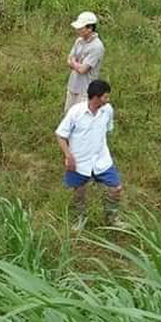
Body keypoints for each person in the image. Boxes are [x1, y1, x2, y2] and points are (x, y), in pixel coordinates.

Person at [55, 79, 122, 229]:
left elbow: (107, 130)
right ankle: (80, 220)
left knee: (116, 188)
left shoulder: (108, 110)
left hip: (101, 159)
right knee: (79, 191)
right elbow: (60, 135)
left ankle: (112, 218)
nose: (108, 100)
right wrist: (68, 156)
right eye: (105, 97)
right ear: (96, 97)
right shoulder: (76, 112)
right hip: (79, 161)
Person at [65, 11, 105, 112]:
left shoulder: (97, 46)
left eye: (81, 28)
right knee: (68, 115)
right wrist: (76, 64)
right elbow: (69, 59)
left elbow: (83, 69)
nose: (78, 30)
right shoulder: (79, 41)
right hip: (73, 84)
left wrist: (74, 62)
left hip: (85, 89)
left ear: (90, 28)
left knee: (81, 117)